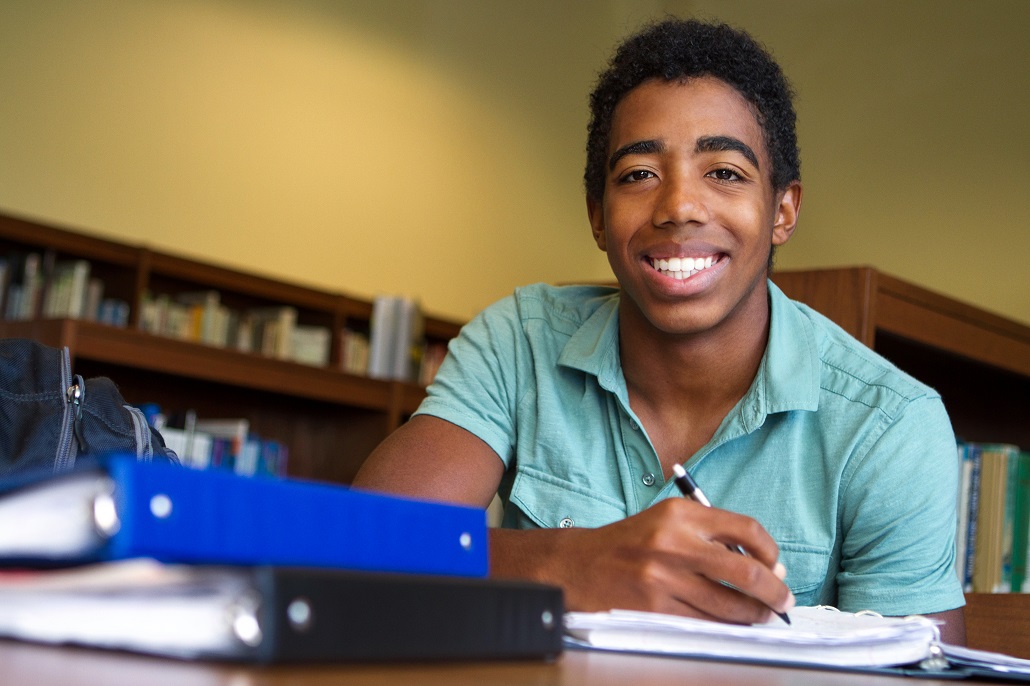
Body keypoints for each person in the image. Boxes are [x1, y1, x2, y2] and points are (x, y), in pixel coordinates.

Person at [353, 18, 966, 643]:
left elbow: (917, 666)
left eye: (725, 172)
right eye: (639, 174)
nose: (678, 207)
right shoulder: (520, 340)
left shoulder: (891, 426)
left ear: (783, 211)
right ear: (597, 216)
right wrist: (570, 564)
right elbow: (361, 546)